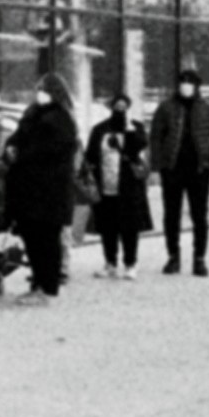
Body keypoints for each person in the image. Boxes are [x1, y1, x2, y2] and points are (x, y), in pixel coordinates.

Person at [3, 73, 81, 300]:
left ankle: (47, 286)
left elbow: (48, 153)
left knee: (46, 240)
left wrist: (20, 155)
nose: (39, 93)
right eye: (38, 88)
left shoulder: (60, 120)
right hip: (28, 189)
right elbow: (16, 138)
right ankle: (39, 283)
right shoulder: (32, 115)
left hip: (48, 191)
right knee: (33, 238)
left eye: (44, 89)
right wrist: (10, 150)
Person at [148, 64, 209, 276]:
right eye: (183, 82)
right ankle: (173, 257)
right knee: (171, 215)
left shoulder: (207, 108)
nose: (186, 86)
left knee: (199, 215)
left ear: (197, 86)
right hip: (172, 169)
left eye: (190, 82)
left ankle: (199, 259)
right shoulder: (166, 108)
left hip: (199, 170)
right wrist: (157, 165)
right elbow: (155, 137)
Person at [83, 94, 154, 279]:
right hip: (105, 184)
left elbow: (138, 147)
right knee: (108, 226)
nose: (120, 109)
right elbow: (90, 155)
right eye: (117, 105)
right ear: (111, 107)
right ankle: (110, 262)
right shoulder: (99, 129)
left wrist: (129, 130)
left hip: (129, 186)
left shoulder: (135, 127)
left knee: (130, 226)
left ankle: (130, 263)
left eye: (124, 106)